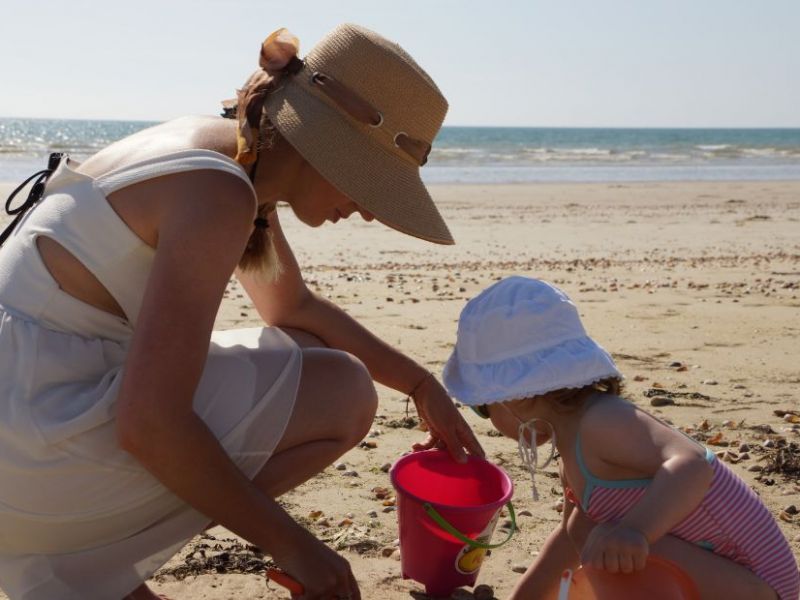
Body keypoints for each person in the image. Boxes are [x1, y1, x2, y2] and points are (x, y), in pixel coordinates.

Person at [0, 24, 483, 600]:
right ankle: (91, 560)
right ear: (326, 148)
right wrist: (299, 549)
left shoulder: (227, 158)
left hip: (25, 415)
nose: (370, 213)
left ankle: (91, 563)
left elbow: (289, 305)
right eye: (370, 184)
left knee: (310, 357)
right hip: (30, 450)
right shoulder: (220, 190)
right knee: (343, 390)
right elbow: (149, 423)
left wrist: (421, 383)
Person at [442, 276, 799, 600]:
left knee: (606, 541)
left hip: (762, 588)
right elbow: (568, 542)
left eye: (483, 408)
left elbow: (693, 464)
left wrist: (636, 532)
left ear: (517, 395)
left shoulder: (602, 420)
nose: (488, 420)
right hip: (714, 579)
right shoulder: (574, 459)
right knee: (586, 530)